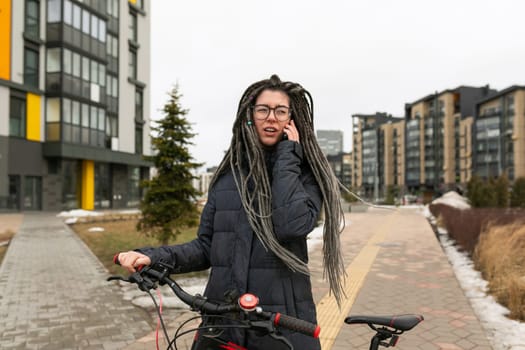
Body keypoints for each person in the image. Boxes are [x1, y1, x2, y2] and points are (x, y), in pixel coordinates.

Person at [117, 74, 345, 349]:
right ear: (249, 116)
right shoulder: (228, 177)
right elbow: (205, 247)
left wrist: (288, 158)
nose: (271, 117)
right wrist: (152, 257)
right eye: (263, 109)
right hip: (222, 322)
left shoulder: (305, 176)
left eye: (281, 111)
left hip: (281, 327)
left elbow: (290, 225)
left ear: (291, 120)